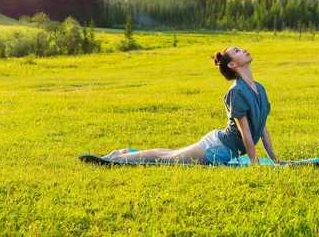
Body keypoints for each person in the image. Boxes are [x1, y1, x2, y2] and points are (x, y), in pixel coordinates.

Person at [106, 46, 280, 166]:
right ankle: (119, 157)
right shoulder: (237, 92)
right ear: (232, 64)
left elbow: (261, 127)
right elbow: (246, 133)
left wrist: (275, 160)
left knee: (172, 153)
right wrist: (255, 163)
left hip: (220, 144)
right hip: (217, 148)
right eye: (237, 51)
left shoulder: (260, 88)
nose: (244, 50)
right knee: (169, 158)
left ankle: (126, 153)